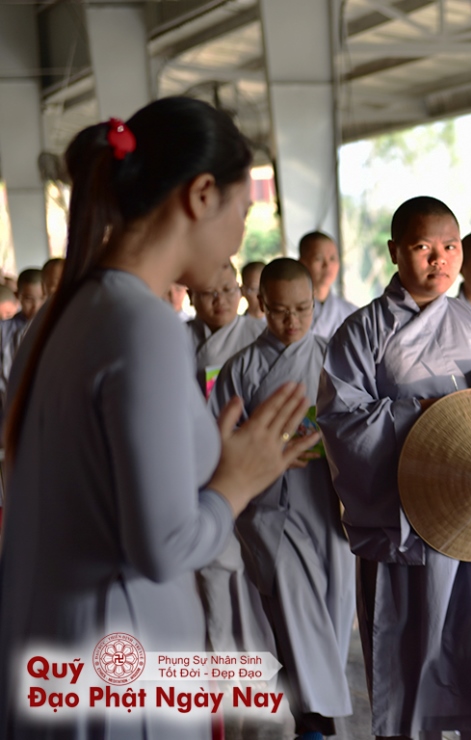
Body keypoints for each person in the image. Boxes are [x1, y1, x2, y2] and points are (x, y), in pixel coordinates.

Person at [0, 97, 317, 739]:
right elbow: (162, 545)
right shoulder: (142, 326)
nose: (240, 234)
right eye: (243, 211)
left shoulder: (59, 316)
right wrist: (234, 483)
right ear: (202, 195)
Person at [318, 196, 471, 740]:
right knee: (410, 661)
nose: (438, 260)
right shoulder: (362, 332)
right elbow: (341, 422)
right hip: (407, 525)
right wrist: (421, 418)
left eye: (449, 247)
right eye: (423, 247)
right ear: (396, 251)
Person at [211, 257, 355, 740]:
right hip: (268, 508)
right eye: (278, 311)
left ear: (315, 304)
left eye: (302, 309)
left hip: (327, 502)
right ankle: (316, 721)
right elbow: (221, 439)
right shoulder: (240, 368)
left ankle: (316, 714)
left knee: (331, 614)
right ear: (261, 305)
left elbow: (357, 424)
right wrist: (267, 448)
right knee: (295, 612)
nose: (291, 321)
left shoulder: (335, 356)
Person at [186, 261, 264, 396]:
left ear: (240, 291)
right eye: (209, 292)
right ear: (190, 296)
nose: (220, 300)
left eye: (228, 290)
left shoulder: (263, 334)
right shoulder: (175, 337)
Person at [297, 231, 357, 340]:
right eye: (318, 259)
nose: (327, 265)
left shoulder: (352, 313)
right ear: (302, 263)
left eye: (333, 258)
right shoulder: (288, 311)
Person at [0, 269, 46, 397]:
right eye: (29, 299)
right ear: (17, 296)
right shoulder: (4, 330)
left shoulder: (56, 327)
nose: (36, 306)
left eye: (43, 298)